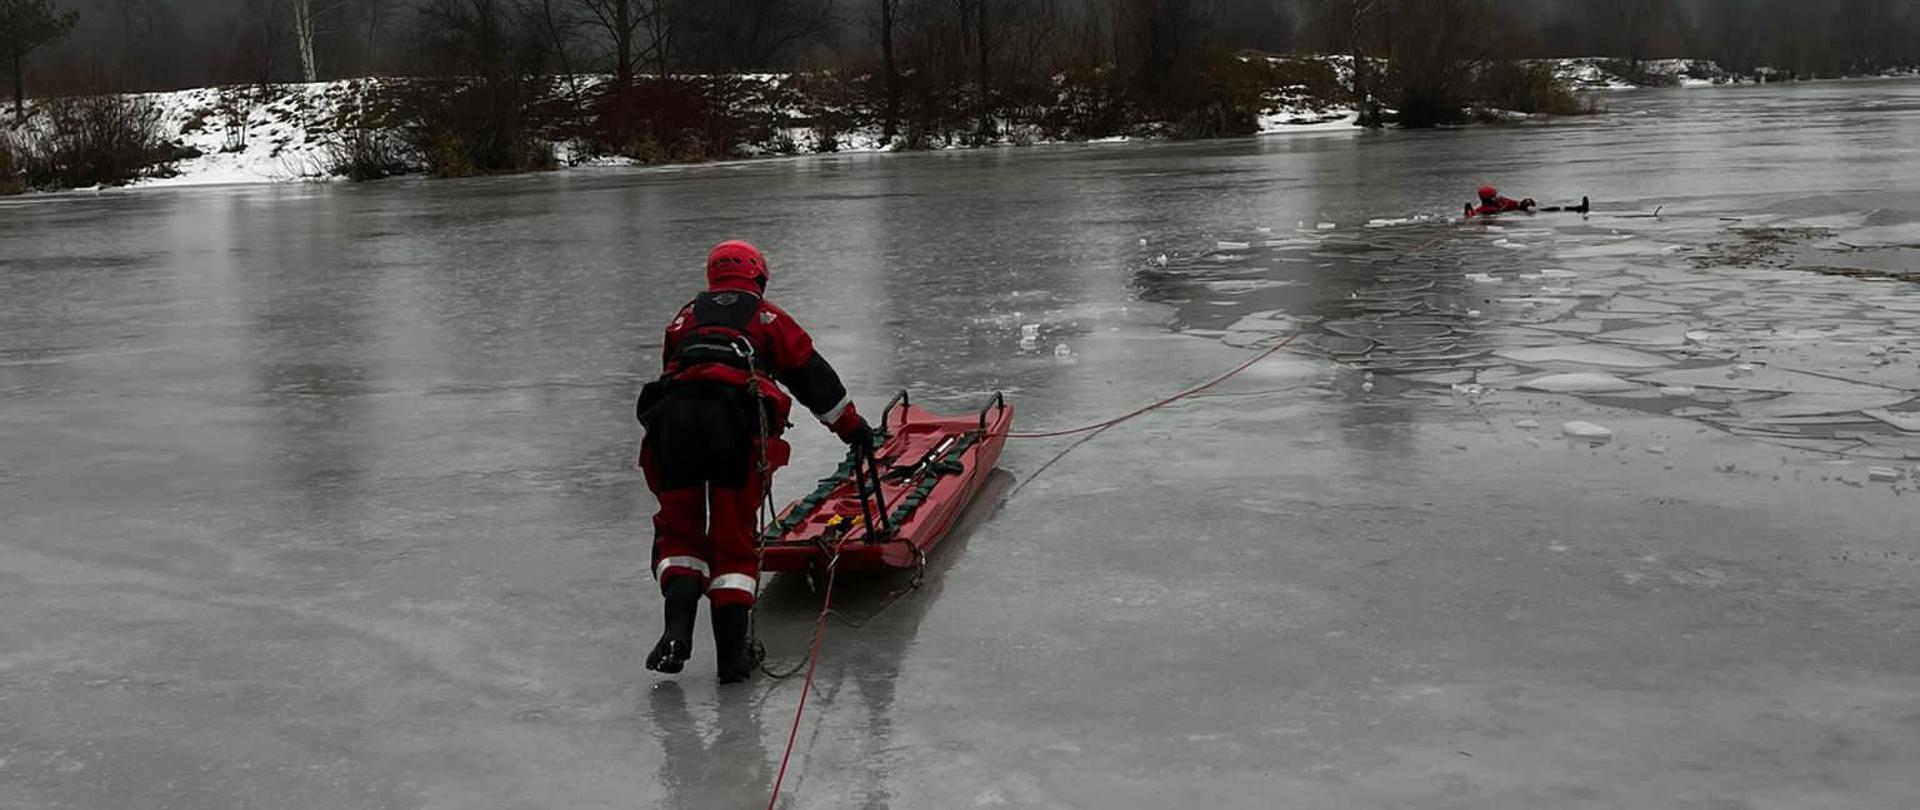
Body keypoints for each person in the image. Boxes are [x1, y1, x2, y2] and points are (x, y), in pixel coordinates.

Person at [636, 240, 873, 683]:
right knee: (732, 537)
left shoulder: (683, 317)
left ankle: (675, 631)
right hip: (731, 426)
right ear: (758, 276)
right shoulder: (767, 317)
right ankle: (732, 659)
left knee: (681, 530)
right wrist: (852, 427)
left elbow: (672, 370)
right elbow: (812, 378)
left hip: (672, 426)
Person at [1465, 185, 1536, 218]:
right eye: (1494, 196)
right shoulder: (1484, 210)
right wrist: (1468, 208)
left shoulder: (1502, 201)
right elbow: (1472, 215)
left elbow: (1517, 204)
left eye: (1495, 195)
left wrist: (1526, 202)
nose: (1496, 197)